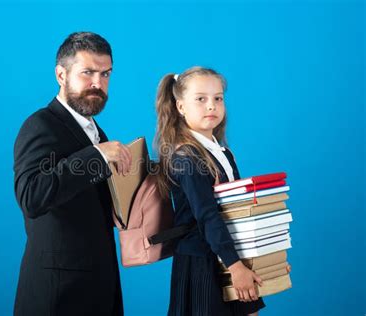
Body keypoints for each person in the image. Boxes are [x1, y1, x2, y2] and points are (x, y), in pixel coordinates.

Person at [13, 32, 131, 316]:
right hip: (59, 294)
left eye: (106, 74)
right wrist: (98, 155)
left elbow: (86, 202)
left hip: (99, 286)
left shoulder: (94, 131)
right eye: (87, 72)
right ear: (61, 75)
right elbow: (32, 196)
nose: (97, 84)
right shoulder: (40, 124)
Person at [155, 66, 267, 316]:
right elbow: (207, 216)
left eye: (218, 98)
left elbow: (237, 213)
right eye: (201, 99)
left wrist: (269, 261)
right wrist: (235, 266)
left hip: (228, 254)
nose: (211, 106)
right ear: (180, 107)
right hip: (202, 262)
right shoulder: (185, 157)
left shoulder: (223, 153)